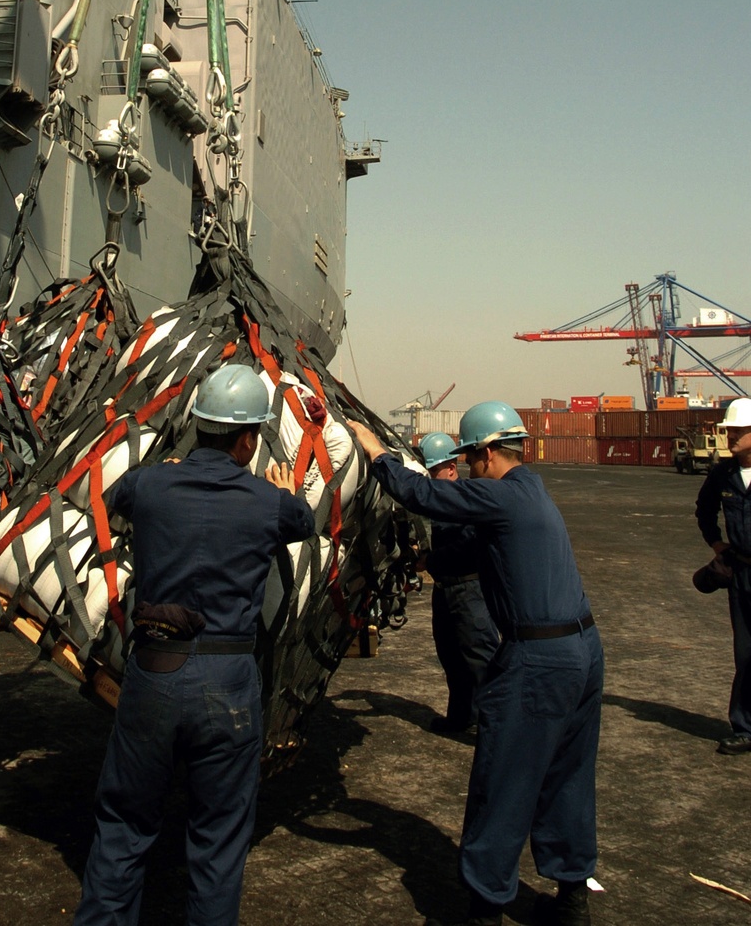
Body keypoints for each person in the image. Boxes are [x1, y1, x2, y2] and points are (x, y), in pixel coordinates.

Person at [73, 363, 314, 926]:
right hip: (227, 685)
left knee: (124, 827)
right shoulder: (267, 502)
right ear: (249, 438)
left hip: (153, 673)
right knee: (217, 842)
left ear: (198, 424)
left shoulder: (151, 483)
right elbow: (304, 519)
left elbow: (114, 496)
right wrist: (280, 489)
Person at [350, 403, 603, 926]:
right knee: (567, 776)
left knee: (504, 779)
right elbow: (477, 552)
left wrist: (377, 455)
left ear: (486, 453)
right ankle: (572, 897)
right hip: (583, 649)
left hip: (538, 660)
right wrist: (428, 564)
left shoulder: (498, 494)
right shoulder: (531, 491)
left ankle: (485, 907)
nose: (467, 467)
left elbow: (422, 494)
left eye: (469, 459)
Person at [416, 431, 499, 737]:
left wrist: (429, 561)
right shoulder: (436, 502)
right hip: (446, 591)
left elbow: (468, 545)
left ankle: (491, 729)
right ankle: (461, 718)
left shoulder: (468, 500)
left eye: (432, 472)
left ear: (451, 468)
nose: (428, 479)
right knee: (451, 658)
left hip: (470, 591)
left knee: (480, 661)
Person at [695, 395, 751, 755]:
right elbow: (704, 511)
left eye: (736, 431)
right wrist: (717, 544)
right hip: (743, 573)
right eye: (728, 431)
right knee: (745, 653)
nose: (729, 438)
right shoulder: (722, 474)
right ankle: (744, 727)